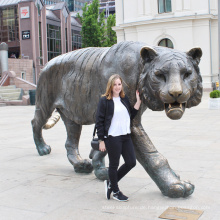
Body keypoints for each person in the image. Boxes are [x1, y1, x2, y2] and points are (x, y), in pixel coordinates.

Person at [96, 74, 141, 202]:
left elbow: (130, 115)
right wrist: (101, 140)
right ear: (110, 86)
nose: (117, 87)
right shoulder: (104, 100)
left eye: (119, 84)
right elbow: (99, 121)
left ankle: (110, 183)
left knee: (131, 162)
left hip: (125, 136)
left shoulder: (124, 98)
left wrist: (138, 102)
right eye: (114, 84)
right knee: (113, 165)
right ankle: (115, 191)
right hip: (112, 137)